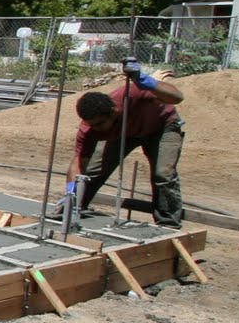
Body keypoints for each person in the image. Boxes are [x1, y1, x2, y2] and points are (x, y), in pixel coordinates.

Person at [67, 64, 184, 227]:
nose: (95, 129)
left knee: (163, 174)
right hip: (124, 133)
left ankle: (168, 223)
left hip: (162, 127)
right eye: (91, 125)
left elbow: (177, 97)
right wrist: (70, 191)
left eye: (99, 124)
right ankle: (75, 206)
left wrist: (147, 81)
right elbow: (79, 162)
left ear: (114, 111)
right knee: (94, 170)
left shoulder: (134, 93)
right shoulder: (90, 128)